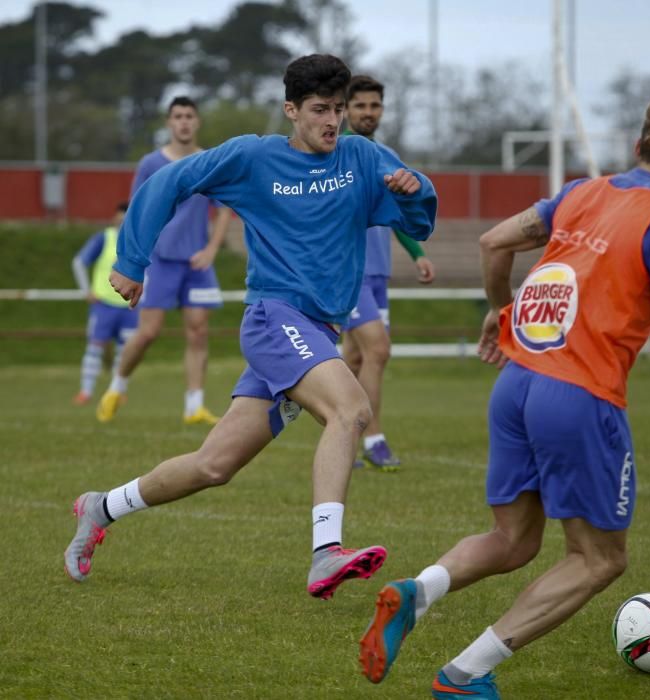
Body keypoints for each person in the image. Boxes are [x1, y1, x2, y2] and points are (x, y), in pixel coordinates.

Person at [356, 97, 650, 698]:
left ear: (636, 147)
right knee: (600, 559)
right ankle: (464, 674)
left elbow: (495, 242)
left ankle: (418, 593)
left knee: (514, 539)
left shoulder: (580, 193)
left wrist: (500, 308)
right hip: (580, 394)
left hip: (517, 384)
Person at [63, 54, 438, 601]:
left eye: (338, 109)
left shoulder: (360, 156)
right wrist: (132, 259)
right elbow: (170, 182)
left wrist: (414, 188)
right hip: (273, 320)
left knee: (214, 465)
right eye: (318, 110)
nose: (332, 121)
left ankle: (101, 506)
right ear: (291, 110)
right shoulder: (252, 157)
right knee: (350, 409)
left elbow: (417, 219)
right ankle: (325, 552)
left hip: (315, 330)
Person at [95, 96, 233, 426]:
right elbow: (137, 209)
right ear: (169, 123)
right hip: (160, 263)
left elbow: (226, 206)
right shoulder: (150, 164)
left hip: (197, 265)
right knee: (148, 333)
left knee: (199, 333)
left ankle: (194, 406)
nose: (184, 121)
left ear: (197, 122)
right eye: (178, 116)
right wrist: (135, 259)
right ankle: (117, 385)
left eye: (189, 116)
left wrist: (212, 248)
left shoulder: (209, 161)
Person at [340, 74, 437, 470]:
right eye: (359, 105)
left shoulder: (387, 155)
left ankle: (341, 435)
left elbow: (398, 212)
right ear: (345, 109)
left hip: (378, 274)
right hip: (348, 273)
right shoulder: (337, 154)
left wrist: (416, 254)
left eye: (374, 105)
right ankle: (373, 440)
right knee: (379, 350)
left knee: (355, 359)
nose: (368, 112)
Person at [70, 202, 139, 405]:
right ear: (115, 217)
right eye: (120, 215)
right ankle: (86, 391)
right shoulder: (105, 238)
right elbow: (78, 262)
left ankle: (117, 392)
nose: (122, 219)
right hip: (104, 304)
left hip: (128, 306)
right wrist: (86, 291)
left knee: (125, 351)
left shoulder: (138, 241)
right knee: (95, 347)